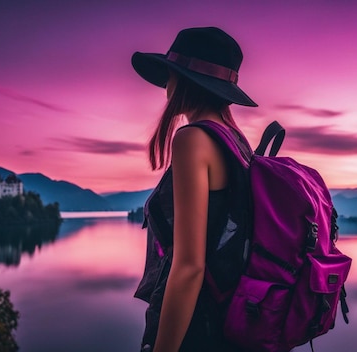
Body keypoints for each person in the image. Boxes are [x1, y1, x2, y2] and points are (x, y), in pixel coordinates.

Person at [131, 27, 258, 352]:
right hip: (231, 320)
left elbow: (189, 267)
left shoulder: (192, 140)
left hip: (197, 329)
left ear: (185, 81)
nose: (165, 88)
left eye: (170, 75)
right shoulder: (235, 141)